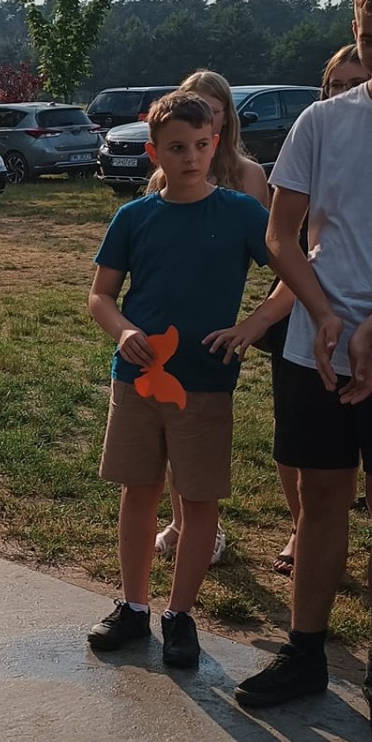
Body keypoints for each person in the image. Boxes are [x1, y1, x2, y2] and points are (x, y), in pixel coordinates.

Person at [237, 0, 372, 742]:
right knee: (318, 503)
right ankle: (305, 655)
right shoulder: (321, 123)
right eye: (370, 39)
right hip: (313, 350)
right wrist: (324, 317)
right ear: (353, 30)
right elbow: (280, 236)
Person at [87, 91, 273, 669]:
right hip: (138, 381)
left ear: (215, 144)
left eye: (199, 145)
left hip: (206, 382)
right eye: (175, 148)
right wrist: (123, 331)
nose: (189, 158)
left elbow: (295, 273)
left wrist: (253, 325)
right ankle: (134, 607)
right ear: (154, 153)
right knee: (138, 491)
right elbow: (100, 295)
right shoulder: (134, 217)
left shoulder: (242, 213)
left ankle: (180, 615)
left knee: (198, 500)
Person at [151, 69, 270, 564]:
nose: (199, 114)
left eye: (211, 109)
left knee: (201, 435)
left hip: (212, 329)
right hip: (165, 333)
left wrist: (253, 322)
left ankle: (206, 525)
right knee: (169, 428)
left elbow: (270, 253)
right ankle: (180, 521)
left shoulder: (247, 176)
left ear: (224, 119)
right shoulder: (166, 172)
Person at [268, 43, 370, 575]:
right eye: (337, 85)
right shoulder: (315, 129)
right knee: (304, 454)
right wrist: (311, 311)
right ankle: (301, 528)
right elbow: (283, 237)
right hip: (309, 306)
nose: (346, 94)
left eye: (358, 83)